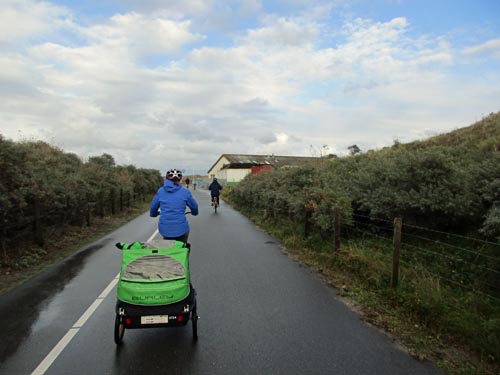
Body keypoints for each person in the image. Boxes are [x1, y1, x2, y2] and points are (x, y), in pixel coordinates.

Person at [150, 169, 199, 243]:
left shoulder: (160, 191)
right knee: (182, 248)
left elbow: (153, 207)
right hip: (181, 229)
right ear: (180, 180)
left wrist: (154, 214)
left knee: (168, 247)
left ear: (166, 178)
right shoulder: (185, 192)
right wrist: (194, 212)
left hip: (165, 229)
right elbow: (194, 207)